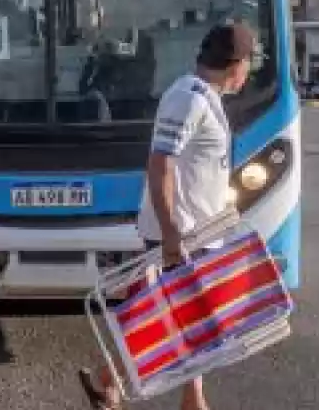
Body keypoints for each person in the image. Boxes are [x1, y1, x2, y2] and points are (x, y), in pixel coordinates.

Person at [77, 22, 258, 410]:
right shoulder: (189, 99)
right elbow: (161, 165)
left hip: (196, 231)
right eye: (248, 63)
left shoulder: (202, 96)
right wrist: (172, 233)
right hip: (179, 234)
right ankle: (188, 401)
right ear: (236, 65)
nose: (249, 72)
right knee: (184, 317)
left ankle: (109, 381)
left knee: (165, 317)